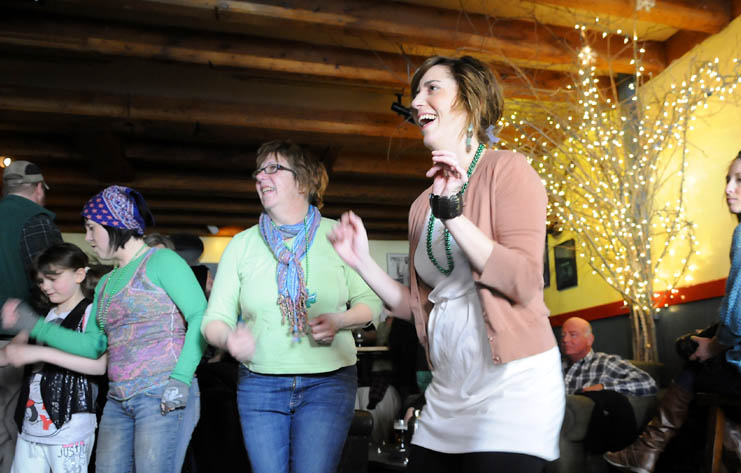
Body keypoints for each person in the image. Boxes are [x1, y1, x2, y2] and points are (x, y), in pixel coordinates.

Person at [328, 55, 564, 473]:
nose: (417, 101)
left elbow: (525, 282)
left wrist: (453, 212)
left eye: (431, 88)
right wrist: (361, 261)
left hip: (513, 389)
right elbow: (417, 305)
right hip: (448, 392)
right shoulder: (421, 206)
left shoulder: (508, 170)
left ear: (471, 102)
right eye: (417, 91)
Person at [604, 142, 741, 473]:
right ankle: (648, 451)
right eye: (728, 179)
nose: (728, 189)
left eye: (740, 180)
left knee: (695, 363)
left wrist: (714, 345)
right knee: (697, 356)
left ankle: (653, 451)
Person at [201, 140, 382, 473]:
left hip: (329, 384)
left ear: (303, 182)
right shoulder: (242, 244)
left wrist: (340, 320)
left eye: (273, 168)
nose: (260, 177)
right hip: (259, 385)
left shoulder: (335, 235)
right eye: (259, 170)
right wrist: (228, 339)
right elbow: (214, 319)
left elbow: (372, 303)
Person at [2, 185, 208, 473]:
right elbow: (92, 346)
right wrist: (34, 325)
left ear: (115, 224)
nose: (88, 238)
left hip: (161, 391)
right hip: (118, 399)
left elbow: (200, 315)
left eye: (91, 228)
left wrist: (181, 378)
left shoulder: (161, 261)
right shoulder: (107, 283)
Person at [0, 243, 107, 473]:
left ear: (79, 274)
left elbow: (99, 367)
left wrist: (37, 352)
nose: (46, 287)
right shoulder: (42, 316)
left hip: (70, 427)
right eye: (41, 281)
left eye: (52, 278)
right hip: (31, 425)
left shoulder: (91, 312)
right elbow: (10, 353)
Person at [0, 160, 62, 473]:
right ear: (39, 189)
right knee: (14, 427)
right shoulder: (36, 221)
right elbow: (51, 283)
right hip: (17, 340)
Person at [561, 316, 657, 453]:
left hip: (587, 432)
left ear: (590, 339)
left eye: (573, 334)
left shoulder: (606, 362)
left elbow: (648, 383)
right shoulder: (554, 366)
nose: (565, 340)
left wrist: (603, 387)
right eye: (563, 335)